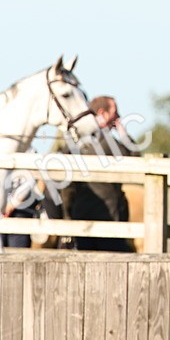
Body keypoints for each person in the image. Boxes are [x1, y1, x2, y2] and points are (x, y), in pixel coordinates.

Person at [50, 96, 140, 252]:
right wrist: (123, 133)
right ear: (102, 113)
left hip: (80, 214)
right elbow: (136, 161)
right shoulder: (107, 142)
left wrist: (68, 215)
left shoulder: (73, 140)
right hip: (109, 215)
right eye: (115, 112)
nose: (118, 117)